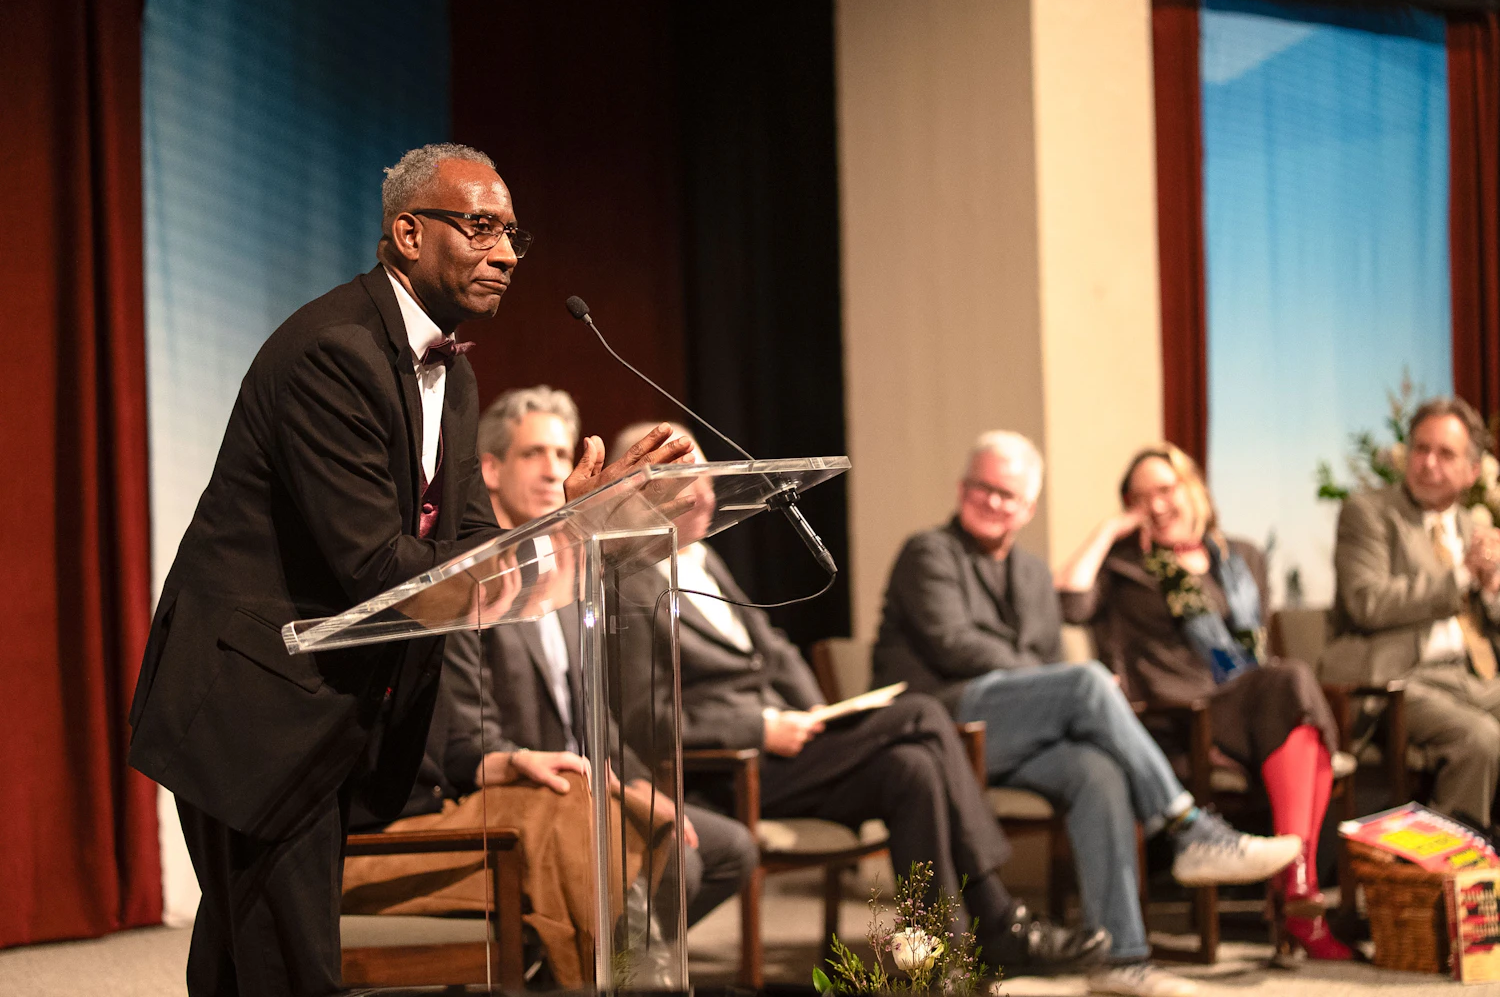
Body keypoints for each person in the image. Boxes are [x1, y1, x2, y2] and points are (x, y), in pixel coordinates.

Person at [127, 144, 690, 997]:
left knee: (246, 961)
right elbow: (378, 568)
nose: (505, 253)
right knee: (291, 968)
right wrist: (554, 536)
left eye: (512, 234)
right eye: (480, 228)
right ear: (408, 232)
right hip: (253, 708)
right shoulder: (332, 352)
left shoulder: (452, 377)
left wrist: (569, 522)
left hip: (330, 717)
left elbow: (469, 544)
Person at [612, 423, 1114, 977]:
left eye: (706, 476)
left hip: (791, 750)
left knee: (913, 766)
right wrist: (760, 726)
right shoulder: (629, 586)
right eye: (688, 478)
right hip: (731, 770)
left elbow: (775, 654)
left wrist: (818, 716)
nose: (706, 491)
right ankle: (999, 920)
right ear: (640, 486)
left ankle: (941, 963)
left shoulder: (702, 558)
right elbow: (644, 720)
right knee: (923, 712)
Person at [340, 387, 757, 988]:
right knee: (667, 867)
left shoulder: (570, 578)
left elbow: (598, 720)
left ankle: (564, 974)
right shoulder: (473, 582)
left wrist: (636, 784)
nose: (554, 469)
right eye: (535, 452)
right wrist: (542, 769)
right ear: (491, 469)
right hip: (519, 792)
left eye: (563, 453)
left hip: (586, 785)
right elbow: (461, 741)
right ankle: (592, 972)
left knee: (726, 849)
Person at [874, 430, 1301, 997]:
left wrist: (1046, 683)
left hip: (1011, 734)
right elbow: (957, 647)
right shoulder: (927, 551)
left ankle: (1120, 959)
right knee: (1085, 681)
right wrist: (1047, 683)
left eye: (1009, 494)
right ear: (961, 488)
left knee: (1097, 773)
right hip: (940, 726)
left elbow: (1047, 660)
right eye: (983, 488)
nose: (994, 502)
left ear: (1028, 507)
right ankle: (1187, 826)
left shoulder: (1029, 572)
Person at [1058, 442, 1351, 961]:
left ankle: (1296, 888)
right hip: (1181, 721)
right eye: (1139, 497)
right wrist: (1108, 531)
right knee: (1292, 690)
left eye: (1165, 489)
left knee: (1291, 697)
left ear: (1192, 487)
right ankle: (1299, 895)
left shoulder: (1242, 558)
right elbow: (1070, 600)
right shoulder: (1126, 567)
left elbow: (1254, 648)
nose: (1156, 504)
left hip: (1248, 705)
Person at [1323, 397, 1500, 826]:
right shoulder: (1369, 513)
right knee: (1480, 740)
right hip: (1403, 679)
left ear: (1472, 471)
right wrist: (1461, 576)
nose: (1428, 463)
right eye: (1420, 449)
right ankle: (1444, 878)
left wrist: (1492, 588)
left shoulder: (1469, 526)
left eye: (1445, 454)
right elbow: (1367, 601)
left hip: (1475, 676)